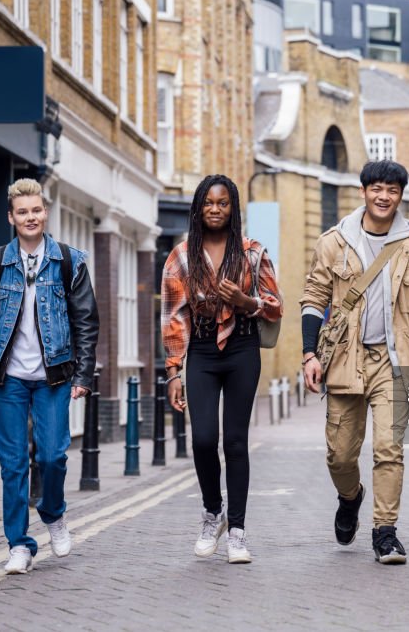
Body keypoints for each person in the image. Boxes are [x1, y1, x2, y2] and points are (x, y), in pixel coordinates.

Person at [301, 160, 409, 565]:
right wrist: (309, 353)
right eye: (377, 189)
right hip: (346, 359)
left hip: (395, 360)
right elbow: (314, 299)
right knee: (341, 456)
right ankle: (350, 498)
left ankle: (385, 532)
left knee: (388, 448)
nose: (384, 196)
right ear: (364, 192)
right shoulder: (334, 242)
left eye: (393, 190)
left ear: (400, 196)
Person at [0, 178, 99, 574]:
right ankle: (19, 544)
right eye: (22, 212)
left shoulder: (69, 262)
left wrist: (84, 374)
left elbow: (87, 322)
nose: (30, 217)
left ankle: (54, 514)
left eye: (36, 210)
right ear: (11, 217)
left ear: (46, 213)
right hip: (6, 378)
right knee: (13, 465)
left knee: (54, 455)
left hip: (54, 376)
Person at [160, 174, 282, 564]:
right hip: (202, 351)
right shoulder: (181, 257)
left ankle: (238, 532)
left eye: (223, 203)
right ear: (198, 208)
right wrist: (174, 371)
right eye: (209, 203)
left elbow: (275, 304)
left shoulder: (252, 252)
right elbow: (174, 317)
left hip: (243, 348)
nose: (216, 209)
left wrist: (246, 301)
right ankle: (213, 512)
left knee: (235, 442)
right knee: (202, 440)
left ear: (233, 209)